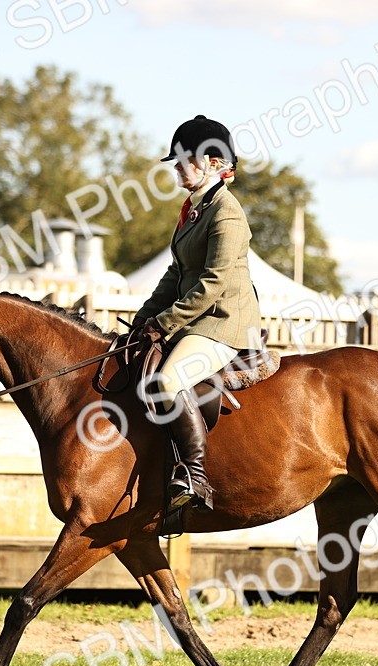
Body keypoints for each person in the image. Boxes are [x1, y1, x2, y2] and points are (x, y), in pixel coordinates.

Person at [131, 115, 263, 512]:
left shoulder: (227, 212)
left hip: (224, 322)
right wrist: (144, 319)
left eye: (183, 159)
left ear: (210, 162)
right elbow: (177, 272)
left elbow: (214, 281)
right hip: (197, 320)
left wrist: (166, 322)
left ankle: (195, 475)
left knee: (168, 381)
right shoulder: (193, 208)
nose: (175, 167)